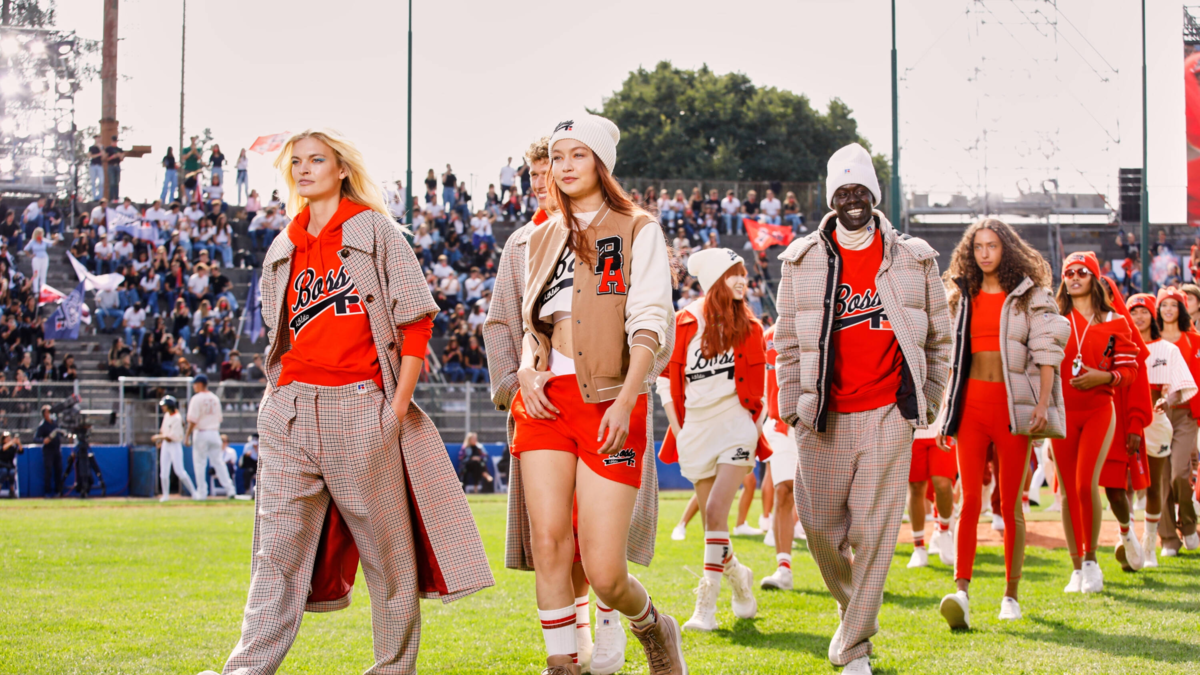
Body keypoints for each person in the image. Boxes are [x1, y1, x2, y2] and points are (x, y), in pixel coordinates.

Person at [199, 129, 491, 675]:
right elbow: (279, 334)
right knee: (275, 553)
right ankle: (246, 670)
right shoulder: (284, 244)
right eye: (297, 161)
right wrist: (277, 397)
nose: (305, 169)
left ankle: (392, 669)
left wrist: (395, 409)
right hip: (290, 409)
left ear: (341, 170)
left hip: (360, 406)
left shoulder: (374, 229)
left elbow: (417, 320)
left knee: (388, 557)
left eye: (317, 160)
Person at [511, 115, 683, 675]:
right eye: (558, 157)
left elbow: (651, 321)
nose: (564, 167)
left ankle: (654, 627)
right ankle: (563, 663)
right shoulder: (540, 237)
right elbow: (532, 327)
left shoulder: (638, 227)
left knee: (605, 571)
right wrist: (526, 371)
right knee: (548, 541)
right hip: (545, 403)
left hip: (610, 400)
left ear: (601, 163)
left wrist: (628, 400)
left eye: (577, 155)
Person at [774, 143, 952, 674]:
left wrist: (926, 397)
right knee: (820, 530)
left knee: (873, 534)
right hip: (822, 416)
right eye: (843, 191)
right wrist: (793, 407)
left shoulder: (915, 257)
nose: (852, 199)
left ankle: (854, 648)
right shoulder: (800, 259)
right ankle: (852, 612)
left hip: (886, 414)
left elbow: (940, 339)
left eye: (861, 191)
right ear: (832, 198)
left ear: (874, 195)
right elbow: (786, 343)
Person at [935, 218, 1068, 627]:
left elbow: (1047, 353)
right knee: (969, 502)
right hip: (970, 408)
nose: (985, 253)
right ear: (970, 252)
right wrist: (945, 415)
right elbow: (951, 361)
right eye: (978, 247)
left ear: (1006, 248)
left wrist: (1042, 404)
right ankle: (961, 591)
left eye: (992, 245)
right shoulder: (960, 296)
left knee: (1011, 505)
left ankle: (1011, 595)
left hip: (1014, 410)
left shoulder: (1030, 295)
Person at [657, 248, 767, 632]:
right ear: (715, 280)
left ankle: (706, 606)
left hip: (737, 427)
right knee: (711, 524)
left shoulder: (750, 326)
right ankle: (739, 577)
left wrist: (753, 430)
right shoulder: (684, 322)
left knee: (718, 511)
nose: (742, 280)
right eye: (734, 273)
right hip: (696, 429)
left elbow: (760, 389)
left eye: (743, 273)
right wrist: (680, 431)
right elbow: (666, 383)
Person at [1052, 251, 1140, 594]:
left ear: (1094, 278)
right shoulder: (1054, 318)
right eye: (1069, 272)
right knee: (1066, 493)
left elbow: (1130, 370)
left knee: (1084, 484)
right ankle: (1076, 567)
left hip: (1099, 410)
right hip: (1062, 414)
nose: (1074, 277)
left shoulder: (1116, 320)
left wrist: (1103, 377)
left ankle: (1091, 561)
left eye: (1082, 272)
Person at [1126, 293, 1196, 570]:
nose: (1139, 317)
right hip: (1123, 419)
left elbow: (1181, 385)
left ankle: (1151, 543)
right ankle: (1128, 540)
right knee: (1124, 485)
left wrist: (1167, 399)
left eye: (1144, 311)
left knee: (1161, 481)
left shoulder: (1167, 349)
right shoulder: (1119, 345)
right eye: (1133, 311)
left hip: (1158, 419)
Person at [1150, 287, 1200, 556]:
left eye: (1174, 304)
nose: (1168, 309)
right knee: (1162, 479)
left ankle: (1189, 524)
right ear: (1158, 309)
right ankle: (1169, 538)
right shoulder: (1151, 340)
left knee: (1180, 474)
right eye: (1164, 304)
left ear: (1181, 309)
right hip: (1157, 413)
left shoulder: (1195, 340)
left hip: (1185, 414)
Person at [759, 323, 805, 590]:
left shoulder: (819, 323)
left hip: (816, 425)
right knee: (783, 490)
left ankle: (847, 569)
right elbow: (762, 386)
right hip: (779, 425)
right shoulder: (769, 335)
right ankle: (783, 568)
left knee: (830, 500)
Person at [907, 403, 956, 569]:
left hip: (942, 426)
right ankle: (919, 547)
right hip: (913, 428)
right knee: (916, 488)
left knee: (943, 484)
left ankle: (943, 533)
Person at [185, 374, 234, 500]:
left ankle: (202, 493)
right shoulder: (215, 398)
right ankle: (230, 490)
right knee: (219, 463)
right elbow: (219, 418)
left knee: (200, 464)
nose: (194, 386)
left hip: (201, 432)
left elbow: (192, 420)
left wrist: (187, 436)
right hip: (214, 433)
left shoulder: (196, 398)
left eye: (195, 384)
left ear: (200, 384)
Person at [152, 395, 197, 502]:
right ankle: (165, 495)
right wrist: (160, 441)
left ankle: (194, 493)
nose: (163, 407)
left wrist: (158, 437)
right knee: (163, 472)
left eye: (165, 405)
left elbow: (171, 437)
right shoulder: (167, 415)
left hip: (175, 444)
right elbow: (163, 431)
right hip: (166, 445)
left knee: (179, 471)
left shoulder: (177, 418)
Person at [33, 404, 63, 498]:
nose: (50, 414)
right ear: (44, 414)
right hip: (48, 451)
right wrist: (44, 440)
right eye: (48, 412)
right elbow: (35, 438)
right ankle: (47, 492)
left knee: (58, 470)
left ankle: (58, 491)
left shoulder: (55, 423)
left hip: (57, 450)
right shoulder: (42, 425)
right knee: (48, 471)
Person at [21, 227, 52, 300]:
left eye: (41, 234)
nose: (40, 235)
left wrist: (56, 238)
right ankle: (36, 291)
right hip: (36, 259)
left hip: (44, 258)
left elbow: (52, 243)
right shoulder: (32, 242)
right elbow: (25, 249)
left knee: (43, 275)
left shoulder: (44, 241)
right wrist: (30, 255)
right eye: (39, 234)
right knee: (36, 275)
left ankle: (43, 291)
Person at [105, 135, 124, 200]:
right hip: (111, 166)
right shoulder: (108, 149)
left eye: (115, 141)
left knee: (117, 182)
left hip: (117, 166)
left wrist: (119, 156)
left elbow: (122, 159)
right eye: (114, 141)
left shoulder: (119, 149)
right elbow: (105, 159)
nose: (115, 142)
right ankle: (111, 198)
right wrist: (113, 157)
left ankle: (116, 198)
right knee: (112, 182)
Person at [88, 134, 105, 201]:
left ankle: (100, 197)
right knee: (93, 182)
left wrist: (100, 148)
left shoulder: (102, 147)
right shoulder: (91, 148)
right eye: (96, 138)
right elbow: (90, 156)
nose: (97, 139)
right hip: (93, 166)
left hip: (99, 166)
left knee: (101, 182)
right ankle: (94, 197)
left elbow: (103, 156)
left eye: (98, 138)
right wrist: (98, 154)